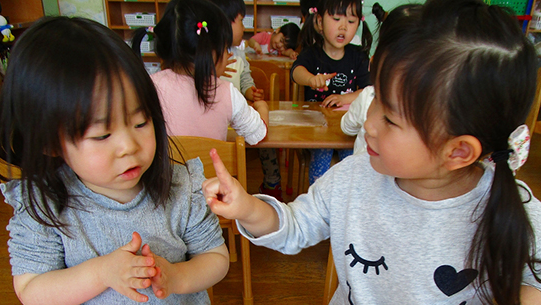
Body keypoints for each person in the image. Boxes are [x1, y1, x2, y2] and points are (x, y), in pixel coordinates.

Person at [203, 0, 541, 305]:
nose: (368, 125)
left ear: (457, 151)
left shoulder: (509, 206)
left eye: (389, 117)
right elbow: (295, 224)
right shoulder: (354, 176)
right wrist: (246, 207)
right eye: (372, 100)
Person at [0, 17, 229, 305]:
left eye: (141, 122)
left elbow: (216, 257)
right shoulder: (44, 202)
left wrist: (178, 276)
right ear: (50, 142)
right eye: (102, 135)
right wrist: (101, 273)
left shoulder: (181, 185)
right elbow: (31, 290)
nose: (129, 145)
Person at [132, 0, 268, 147]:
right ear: (211, 52)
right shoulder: (226, 92)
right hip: (211, 169)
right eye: (225, 48)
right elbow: (257, 134)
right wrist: (262, 107)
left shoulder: (150, 86)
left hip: (166, 170)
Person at [209, 0, 284, 200]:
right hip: (218, 127)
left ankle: (272, 184)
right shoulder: (206, 57)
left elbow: (245, 79)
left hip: (239, 120)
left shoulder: (239, 54)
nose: (244, 27)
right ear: (223, 23)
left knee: (266, 145)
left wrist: (251, 92)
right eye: (241, 21)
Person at [292, 0, 372, 184]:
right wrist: (311, 79)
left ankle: (345, 200)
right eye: (336, 19)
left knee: (352, 157)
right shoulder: (312, 54)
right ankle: (318, 199)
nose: (343, 27)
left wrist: (344, 98)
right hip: (318, 131)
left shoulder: (358, 55)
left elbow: (367, 90)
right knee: (322, 152)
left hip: (347, 128)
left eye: (351, 22)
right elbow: (296, 71)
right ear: (319, 22)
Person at [341, 3, 421, 155]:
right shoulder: (426, 107)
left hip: (362, 173)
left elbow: (346, 126)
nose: (371, 127)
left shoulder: (368, 96)